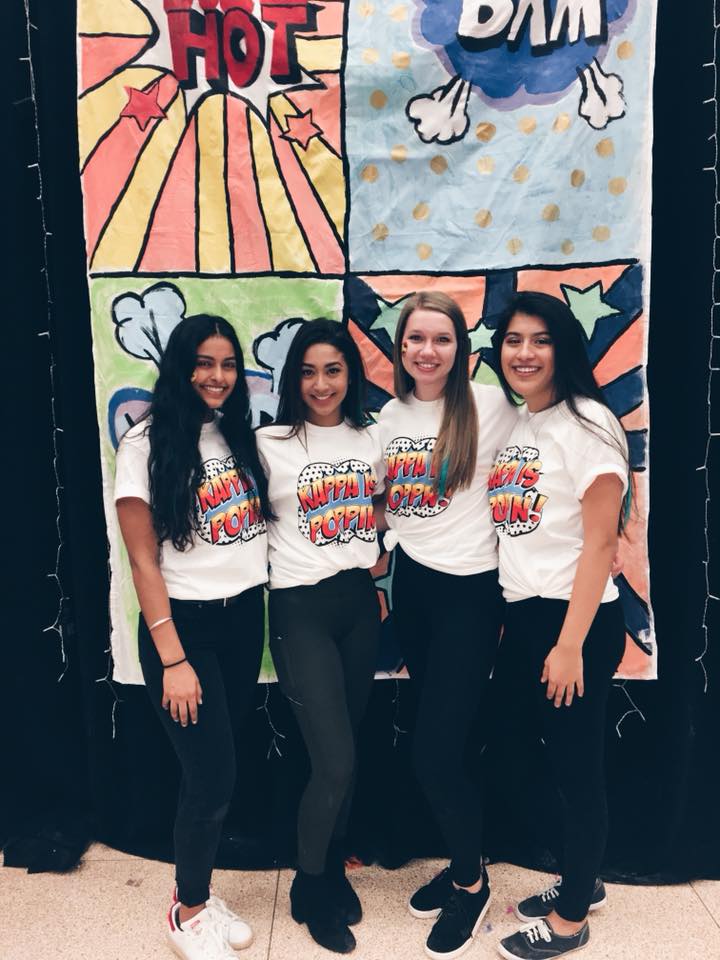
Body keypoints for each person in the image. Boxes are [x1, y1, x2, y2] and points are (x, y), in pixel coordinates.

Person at [115, 315, 271, 960]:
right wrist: (173, 658)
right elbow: (142, 560)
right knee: (212, 778)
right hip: (184, 629)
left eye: (228, 363)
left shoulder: (235, 433)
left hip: (243, 620)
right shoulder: (145, 443)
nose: (218, 376)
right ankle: (187, 913)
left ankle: (197, 891)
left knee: (209, 771)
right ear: (179, 367)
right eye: (204, 363)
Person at [487, 291, 631, 960]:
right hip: (526, 617)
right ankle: (582, 875)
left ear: (563, 347)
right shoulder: (522, 423)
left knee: (577, 772)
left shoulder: (589, 423)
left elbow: (601, 543)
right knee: (524, 757)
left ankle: (572, 917)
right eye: (514, 340)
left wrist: (569, 644)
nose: (525, 353)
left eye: (540, 340)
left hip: (575, 622)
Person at [377, 290, 518, 960]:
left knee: (434, 752)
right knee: (447, 744)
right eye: (415, 338)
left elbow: (542, 467)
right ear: (400, 347)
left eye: (441, 338)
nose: (426, 350)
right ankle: (466, 860)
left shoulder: (492, 407)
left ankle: (471, 883)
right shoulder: (390, 415)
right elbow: (385, 503)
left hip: (471, 594)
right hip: (414, 588)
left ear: (461, 348)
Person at [256, 319, 384, 955]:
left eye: (333, 370)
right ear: (292, 379)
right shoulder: (269, 442)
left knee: (350, 750)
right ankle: (308, 888)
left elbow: (385, 500)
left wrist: (376, 540)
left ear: (350, 375)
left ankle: (332, 866)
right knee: (331, 759)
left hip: (357, 604)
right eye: (307, 371)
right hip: (299, 608)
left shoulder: (371, 436)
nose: (321, 383)